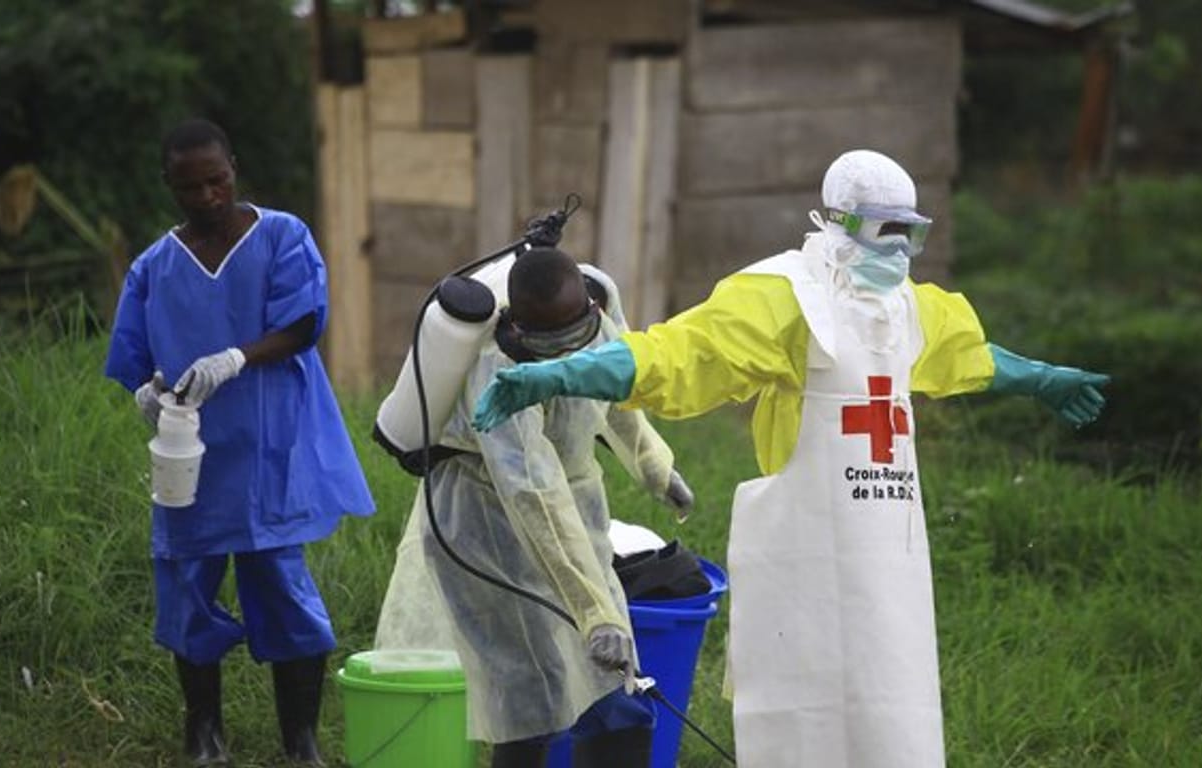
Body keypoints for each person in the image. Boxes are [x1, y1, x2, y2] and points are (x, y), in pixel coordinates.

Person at [472, 150, 1110, 767]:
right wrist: (560, 376)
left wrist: (1040, 377)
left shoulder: (910, 308)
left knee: (896, 701)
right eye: (885, 231)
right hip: (806, 561)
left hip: (890, 565)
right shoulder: (785, 296)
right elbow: (677, 353)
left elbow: (968, 357)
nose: (897, 251)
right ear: (840, 221)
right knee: (810, 711)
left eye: (909, 234)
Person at [104, 118, 375, 766]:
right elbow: (135, 353)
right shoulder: (155, 266)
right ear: (168, 184)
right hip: (189, 456)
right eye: (191, 186)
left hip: (267, 445)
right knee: (186, 588)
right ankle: (204, 734)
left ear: (234, 166)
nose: (207, 197)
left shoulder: (281, 237)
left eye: (217, 180)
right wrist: (147, 389)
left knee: (282, 585)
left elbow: (304, 322)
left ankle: (300, 739)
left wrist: (236, 357)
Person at [372, 247, 694, 768]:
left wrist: (655, 467)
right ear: (519, 331)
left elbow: (612, 385)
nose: (568, 353)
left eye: (578, 335)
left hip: (575, 509)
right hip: (487, 528)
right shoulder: (497, 374)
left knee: (616, 685)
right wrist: (594, 615)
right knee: (530, 694)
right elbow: (533, 494)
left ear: (590, 306)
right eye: (552, 345)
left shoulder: (596, 307)